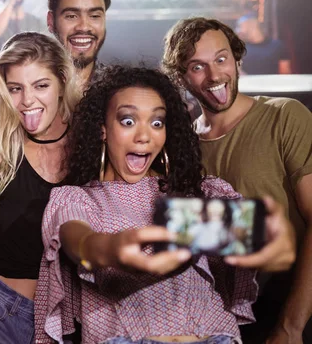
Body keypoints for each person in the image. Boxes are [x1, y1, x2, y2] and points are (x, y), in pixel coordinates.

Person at [34, 65, 296, 344]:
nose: (144, 136)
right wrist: (112, 250)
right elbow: (80, 243)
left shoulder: (198, 193)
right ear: (102, 130)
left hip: (216, 337)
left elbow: (256, 235)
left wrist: (273, 238)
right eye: (128, 121)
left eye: (157, 122)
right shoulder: (79, 199)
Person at [162, 17, 312, 344]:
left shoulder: (285, 116)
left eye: (221, 59)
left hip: (288, 308)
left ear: (236, 58)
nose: (215, 75)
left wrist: (291, 326)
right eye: (198, 66)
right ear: (179, 76)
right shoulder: (177, 145)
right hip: (217, 322)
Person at [0, 32, 81, 344]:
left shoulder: (89, 148)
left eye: (41, 86)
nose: (28, 100)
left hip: (64, 323)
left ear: (61, 82)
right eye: (15, 89)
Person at [47, 0, 111, 89]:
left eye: (94, 16)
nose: (84, 27)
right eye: (71, 16)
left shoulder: (117, 90)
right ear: (51, 21)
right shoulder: (30, 90)